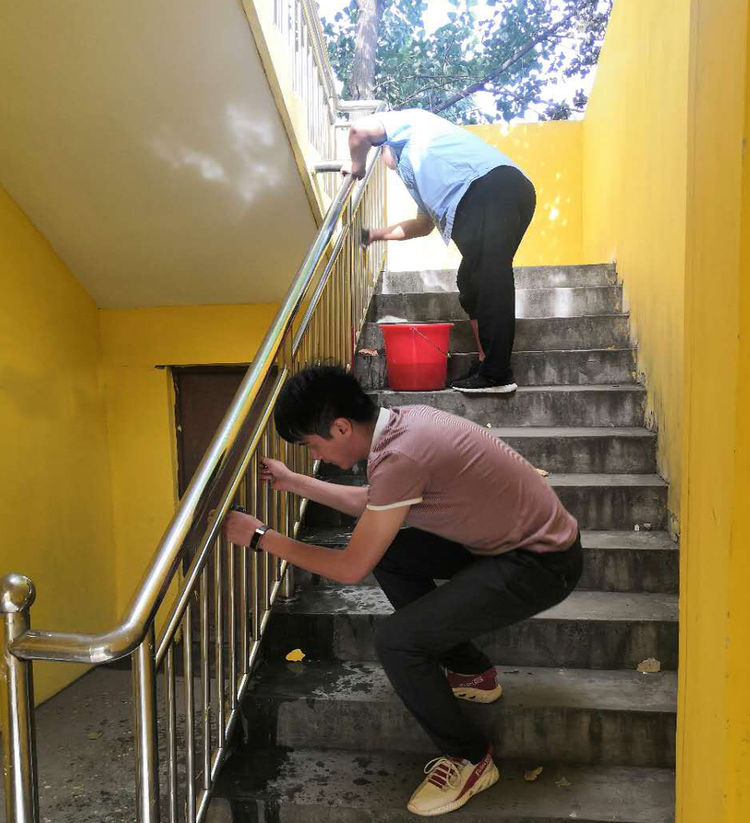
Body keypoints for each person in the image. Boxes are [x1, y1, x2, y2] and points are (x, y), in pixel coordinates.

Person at [223, 364, 582, 817]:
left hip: (542, 563)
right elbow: (372, 502)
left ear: (341, 427)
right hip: (507, 545)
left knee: (397, 641)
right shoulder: (403, 425)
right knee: (390, 551)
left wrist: (261, 538)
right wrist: (293, 482)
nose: (316, 454)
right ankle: (472, 673)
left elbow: (351, 567)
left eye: (313, 445)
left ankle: (469, 759)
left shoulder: (401, 456)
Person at [343, 108, 536, 395]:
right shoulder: (419, 172)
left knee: (490, 277)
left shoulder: (409, 125)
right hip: (500, 192)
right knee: (470, 282)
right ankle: (486, 362)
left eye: (379, 155)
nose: (383, 165)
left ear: (384, 147)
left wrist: (356, 165)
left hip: (486, 188)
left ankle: (497, 374)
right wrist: (373, 235)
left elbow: (360, 130)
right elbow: (422, 226)